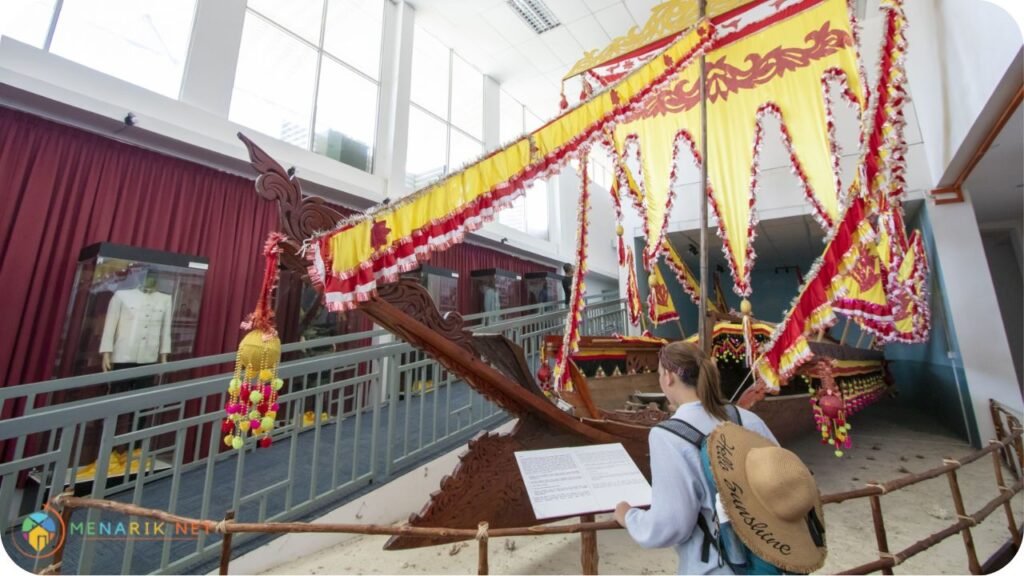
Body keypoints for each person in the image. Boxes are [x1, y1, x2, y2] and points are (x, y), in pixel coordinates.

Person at [613, 341, 777, 575]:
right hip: (773, 558)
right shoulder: (748, 419)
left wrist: (629, 516)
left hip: (717, 568)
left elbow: (671, 526)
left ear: (668, 377)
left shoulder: (668, 436)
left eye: (659, 374)